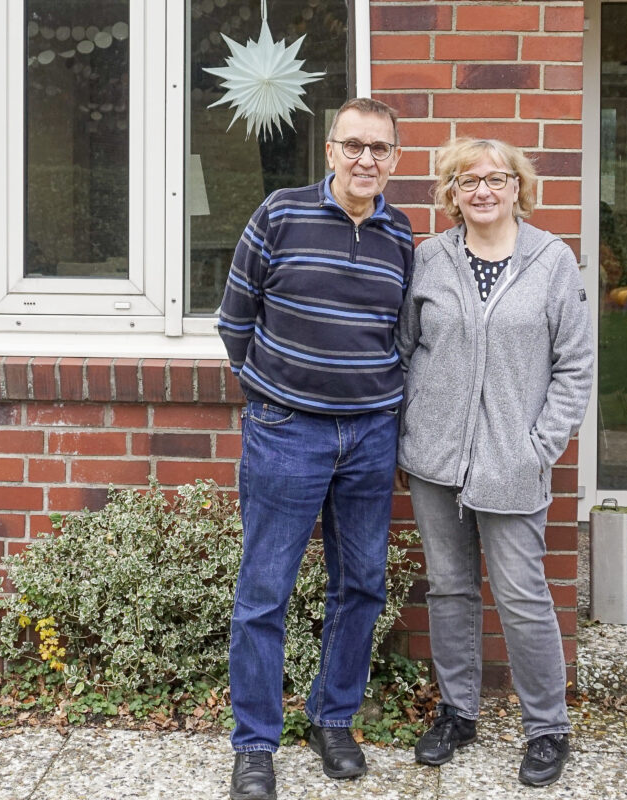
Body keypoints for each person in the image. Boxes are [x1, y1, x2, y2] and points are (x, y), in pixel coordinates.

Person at [216, 97, 411, 800]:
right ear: (329, 151)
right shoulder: (281, 214)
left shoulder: (400, 233)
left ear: (395, 159)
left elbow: (398, 335)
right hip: (286, 431)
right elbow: (235, 318)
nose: (366, 160)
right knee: (264, 591)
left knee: (360, 583)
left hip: (368, 434)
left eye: (379, 149)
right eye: (353, 145)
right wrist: (274, 395)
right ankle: (255, 746)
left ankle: (333, 719)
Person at [395, 138, 594, 787]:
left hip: (514, 461)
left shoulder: (552, 261)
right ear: (451, 193)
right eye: (466, 180)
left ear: (518, 187)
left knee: (523, 595)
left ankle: (547, 729)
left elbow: (575, 365)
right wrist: (408, 430)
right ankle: (458, 713)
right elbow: (404, 349)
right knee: (450, 586)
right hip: (434, 459)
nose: (482, 190)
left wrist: (541, 446)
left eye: (495, 179)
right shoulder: (429, 259)